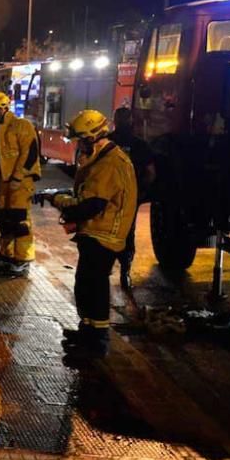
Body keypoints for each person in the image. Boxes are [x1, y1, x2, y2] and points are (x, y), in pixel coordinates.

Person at [42, 110, 137, 357]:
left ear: (92, 136)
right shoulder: (101, 157)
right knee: (85, 285)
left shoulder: (110, 163)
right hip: (97, 232)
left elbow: (92, 205)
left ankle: (97, 341)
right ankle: (88, 331)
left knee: (94, 287)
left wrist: (59, 201)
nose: (79, 145)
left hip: (104, 235)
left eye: (81, 139)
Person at [0, 91, 41, 278]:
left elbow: (29, 153)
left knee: (19, 221)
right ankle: (7, 255)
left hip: (20, 182)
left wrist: (17, 177)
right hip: (5, 182)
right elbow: (1, 158)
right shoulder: (0, 129)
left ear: (1, 109)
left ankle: (22, 259)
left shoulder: (21, 126)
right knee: (5, 220)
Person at [110, 104, 155, 301]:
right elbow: (151, 173)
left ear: (115, 122)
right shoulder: (140, 144)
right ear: (131, 121)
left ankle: (106, 271)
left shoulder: (106, 143)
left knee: (107, 233)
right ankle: (125, 273)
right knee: (128, 233)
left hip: (108, 198)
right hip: (130, 198)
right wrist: (141, 192)